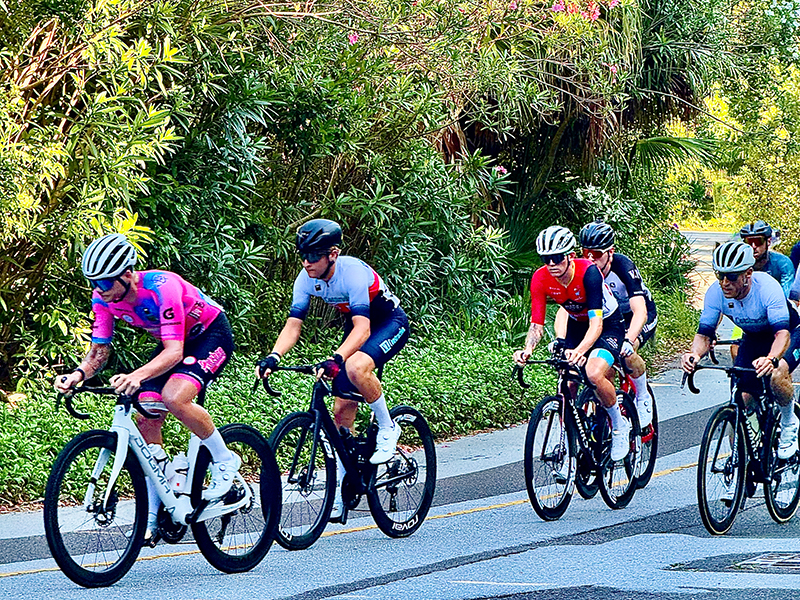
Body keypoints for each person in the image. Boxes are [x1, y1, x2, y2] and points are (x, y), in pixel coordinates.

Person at [54, 233, 240, 540]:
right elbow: (99, 351)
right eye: (94, 283)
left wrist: (137, 375)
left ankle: (225, 461)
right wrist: (78, 374)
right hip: (174, 343)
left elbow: (174, 352)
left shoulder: (162, 287)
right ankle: (156, 511)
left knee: (174, 398)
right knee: (145, 417)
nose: (99, 289)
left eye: (105, 282)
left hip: (209, 335)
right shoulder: (103, 299)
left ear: (127, 274)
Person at [256, 219, 409, 521]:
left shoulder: (352, 273)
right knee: (341, 415)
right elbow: (293, 325)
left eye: (314, 256)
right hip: (357, 326)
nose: (307, 262)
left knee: (356, 367)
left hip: (388, 322)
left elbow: (363, 329)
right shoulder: (305, 279)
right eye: (303, 255)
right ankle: (343, 487)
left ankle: (388, 427)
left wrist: (336, 358)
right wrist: (274, 356)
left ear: (333, 254)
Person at [513, 225, 631, 461]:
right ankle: (570, 440)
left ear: (570, 256)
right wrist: (527, 350)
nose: (551, 264)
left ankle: (619, 425)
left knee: (594, 372)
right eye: (546, 259)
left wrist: (579, 351)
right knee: (567, 380)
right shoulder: (540, 278)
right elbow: (536, 324)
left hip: (608, 324)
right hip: (577, 325)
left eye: (557, 258)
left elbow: (596, 324)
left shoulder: (589, 273)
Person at [681, 240, 800, 462]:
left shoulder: (767, 288)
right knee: (743, 397)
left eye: (732, 277)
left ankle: (788, 421)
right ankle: (749, 449)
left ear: (748, 274)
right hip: (754, 337)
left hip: (789, 333)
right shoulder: (716, 293)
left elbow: (782, 335)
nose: (724, 283)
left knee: (777, 375)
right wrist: (694, 354)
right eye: (720, 275)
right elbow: (704, 335)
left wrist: (771, 359)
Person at [573, 220, 657, 428]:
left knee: (626, 352)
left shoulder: (622, 266)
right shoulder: (583, 270)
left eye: (596, 254)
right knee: (603, 366)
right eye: (586, 252)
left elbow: (640, 311)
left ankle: (642, 395)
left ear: (610, 252)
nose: (590, 259)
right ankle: (608, 414)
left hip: (635, 315)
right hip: (608, 318)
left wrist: (628, 340)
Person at [740, 221, 795, 297]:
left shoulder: (783, 263)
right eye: (749, 242)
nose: (753, 246)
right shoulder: (739, 264)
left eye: (758, 241)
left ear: (768, 242)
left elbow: (785, 295)